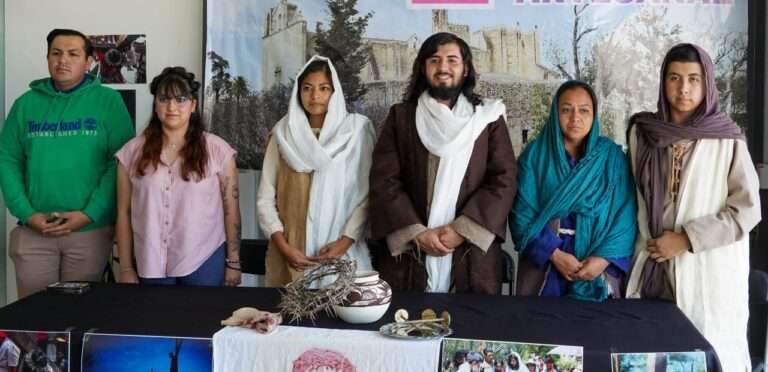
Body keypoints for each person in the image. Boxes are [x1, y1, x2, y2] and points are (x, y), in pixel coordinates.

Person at [625, 43, 760, 372]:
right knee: (650, 356)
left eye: (693, 79)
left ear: (707, 84)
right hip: (654, 266)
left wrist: (686, 239)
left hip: (707, 270)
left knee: (705, 355)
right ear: (663, 81)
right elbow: (633, 198)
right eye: (674, 78)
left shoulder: (727, 138)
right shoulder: (643, 134)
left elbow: (747, 209)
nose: (683, 88)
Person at [369, 32, 517, 294]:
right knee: (405, 326)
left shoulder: (487, 118)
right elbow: (385, 180)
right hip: (410, 256)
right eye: (434, 60)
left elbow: (503, 179)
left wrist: (462, 230)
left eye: (452, 60)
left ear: (465, 68)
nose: (443, 68)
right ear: (423, 67)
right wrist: (416, 232)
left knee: (469, 328)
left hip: (470, 255)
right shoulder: (401, 118)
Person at [0, 28, 134, 298]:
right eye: (56, 53)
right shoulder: (25, 105)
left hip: (89, 232)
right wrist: (27, 214)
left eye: (73, 54)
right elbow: (7, 160)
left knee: (79, 319)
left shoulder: (108, 102)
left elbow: (120, 163)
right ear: (47, 58)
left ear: (88, 62)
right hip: (34, 232)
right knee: (35, 320)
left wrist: (89, 213)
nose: (63, 60)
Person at [508, 81, 636, 301]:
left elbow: (625, 215)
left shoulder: (612, 158)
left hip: (598, 260)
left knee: (596, 332)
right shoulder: (535, 156)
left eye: (584, 110)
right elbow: (521, 214)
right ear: (555, 113)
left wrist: (603, 259)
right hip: (547, 262)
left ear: (594, 115)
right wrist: (554, 254)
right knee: (542, 329)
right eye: (566, 110)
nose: (575, 117)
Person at [115, 67, 241, 287]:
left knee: (203, 320)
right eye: (164, 99)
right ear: (155, 105)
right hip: (150, 260)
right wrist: (125, 267)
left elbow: (231, 210)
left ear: (193, 105)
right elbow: (123, 213)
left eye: (181, 99)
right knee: (154, 321)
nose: (172, 107)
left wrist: (234, 262)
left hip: (204, 259)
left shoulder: (217, 150)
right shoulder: (131, 153)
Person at [257, 56, 375, 287]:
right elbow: (265, 198)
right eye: (307, 88)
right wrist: (285, 248)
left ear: (335, 92)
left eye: (324, 88)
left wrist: (344, 243)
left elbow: (366, 194)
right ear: (298, 93)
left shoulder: (356, 132)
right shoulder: (282, 135)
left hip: (343, 255)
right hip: (291, 255)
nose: (315, 96)